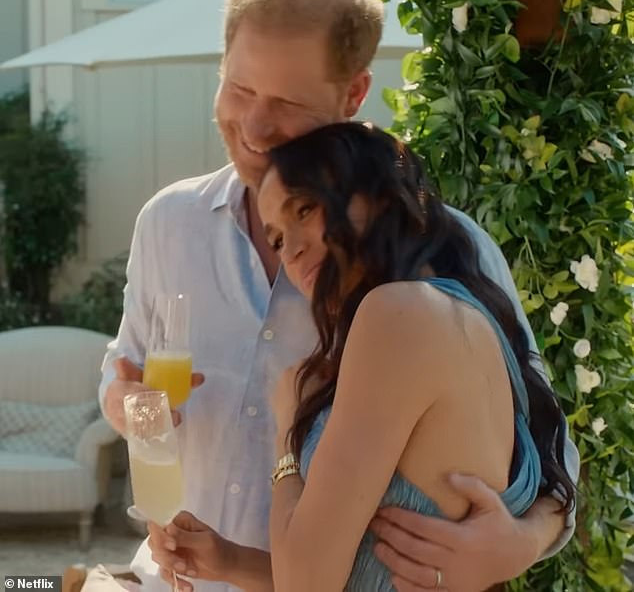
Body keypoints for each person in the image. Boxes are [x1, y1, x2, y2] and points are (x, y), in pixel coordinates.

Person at [99, 0, 579, 592]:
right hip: (179, 577)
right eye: (239, 88)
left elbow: (554, 456)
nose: (256, 125)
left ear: (354, 93)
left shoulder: (442, 246)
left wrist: (518, 542)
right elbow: (124, 368)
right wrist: (125, 402)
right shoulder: (168, 221)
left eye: (287, 101)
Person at [155, 121, 576, 591]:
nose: (290, 249)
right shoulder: (460, 315)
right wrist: (228, 560)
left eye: (306, 208)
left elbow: (307, 587)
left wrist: (286, 436)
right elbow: (365, 568)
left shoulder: (400, 315)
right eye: (276, 239)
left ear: (379, 195)